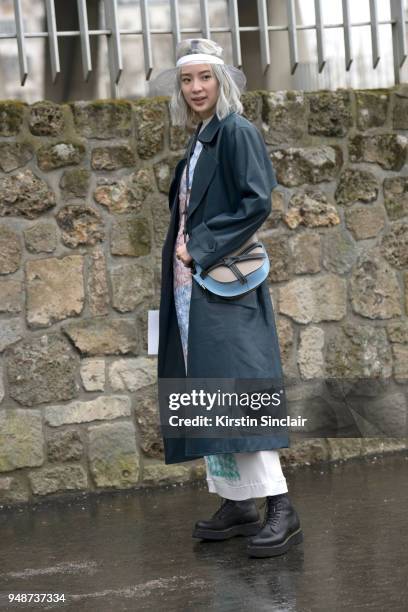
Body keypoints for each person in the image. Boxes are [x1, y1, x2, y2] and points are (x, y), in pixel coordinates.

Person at [154, 38, 303, 558]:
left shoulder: (236, 132)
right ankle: (238, 502)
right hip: (192, 288)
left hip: (219, 284)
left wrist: (202, 248)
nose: (196, 88)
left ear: (223, 82)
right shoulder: (201, 139)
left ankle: (282, 508)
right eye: (188, 80)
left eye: (205, 78)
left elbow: (257, 200)